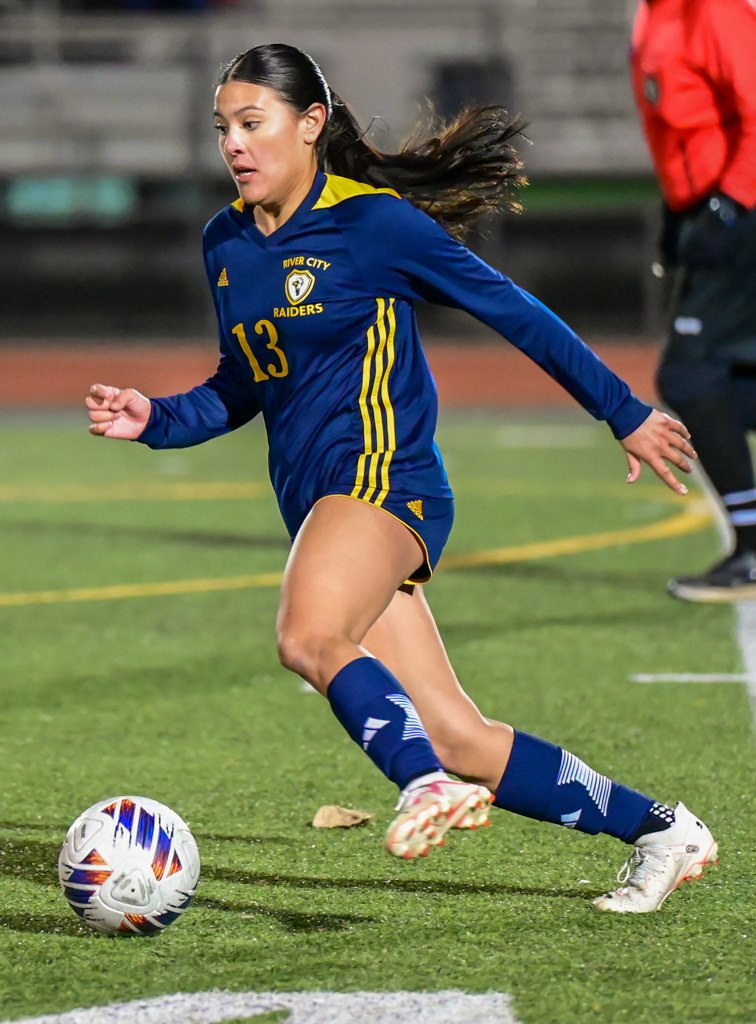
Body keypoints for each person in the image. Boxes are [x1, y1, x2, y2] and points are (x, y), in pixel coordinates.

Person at [87, 43, 717, 912]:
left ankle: (419, 784)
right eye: (223, 127)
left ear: (311, 126)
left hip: (385, 482)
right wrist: (154, 417)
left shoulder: (372, 224)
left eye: (253, 122)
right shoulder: (226, 241)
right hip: (323, 507)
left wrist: (624, 411)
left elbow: (516, 311)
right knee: (461, 735)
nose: (234, 143)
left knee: (308, 637)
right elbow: (243, 382)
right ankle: (663, 829)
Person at [631, 0, 756, 601]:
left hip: (743, 211)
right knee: (729, 382)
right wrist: (679, 217)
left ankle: (755, 549)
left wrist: (728, 208)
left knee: (691, 378)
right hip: (710, 210)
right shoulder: (655, 13)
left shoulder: (714, 10)